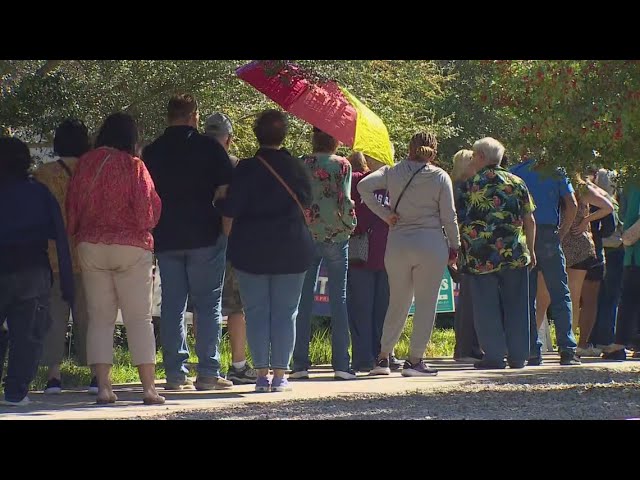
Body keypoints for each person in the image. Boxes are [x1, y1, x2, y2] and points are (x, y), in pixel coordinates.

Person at [66, 112, 164, 405]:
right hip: (131, 247)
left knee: (100, 318)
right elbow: (147, 213)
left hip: (91, 245)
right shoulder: (134, 166)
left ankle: (105, 387)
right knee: (139, 319)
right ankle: (148, 389)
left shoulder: (85, 163)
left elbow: (72, 206)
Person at [143, 94, 233, 391]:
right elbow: (226, 190)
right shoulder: (209, 147)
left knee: (172, 305)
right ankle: (208, 372)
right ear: (194, 115)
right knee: (208, 305)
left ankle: (174, 373)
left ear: (169, 116)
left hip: (167, 236)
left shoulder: (152, 151)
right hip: (205, 235)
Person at [223, 109, 314, 392]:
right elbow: (309, 204)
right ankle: (281, 375)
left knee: (256, 311)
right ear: (284, 135)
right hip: (292, 249)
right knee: (287, 313)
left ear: (256, 134)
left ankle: (261, 374)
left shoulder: (246, 169)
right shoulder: (298, 168)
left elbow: (231, 209)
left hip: (251, 252)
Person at [360, 132, 460, 377]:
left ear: (409, 148)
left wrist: (385, 214)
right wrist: (455, 245)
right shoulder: (439, 176)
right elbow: (449, 215)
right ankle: (415, 360)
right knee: (426, 304)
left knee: (398, 301)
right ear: (433, 152)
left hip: (398, 243)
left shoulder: (392, 172)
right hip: (431, 243)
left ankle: (383, 358)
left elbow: (364, 187)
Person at [0, 137, 74, 406]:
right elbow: (61, 240)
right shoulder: (39, 192)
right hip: (32, 269)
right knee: (27, 335)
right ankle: (16, 391)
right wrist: (67, 283)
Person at [457, 138, 536, 369]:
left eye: (473, 156)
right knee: (518, 305)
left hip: (479, 256)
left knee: (486, 307)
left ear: (482, 157)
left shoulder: (469, 186)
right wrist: (531, 250)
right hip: (514, 253)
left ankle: (493, 356)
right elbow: (530, 219)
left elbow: (460, 221)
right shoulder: (518, 182)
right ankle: (519, 356)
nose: (472, 160)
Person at [33, 119, 96, 395]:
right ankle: (97, 374)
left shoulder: (43, 174)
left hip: (53, 254)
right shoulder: (94, 171)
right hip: (88, 253)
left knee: (54, 316)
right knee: (91, 316)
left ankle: (53, 377)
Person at [291, 128, 357, 380]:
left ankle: (299, 364)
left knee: (303, 300)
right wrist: (350, 225)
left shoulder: (301, 163)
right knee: (338, 299)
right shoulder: (342, 165)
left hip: (307, 234)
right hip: (336, 235)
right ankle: (341, 363)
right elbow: (346, 199)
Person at [510, 156, 580, 365]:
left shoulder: (516, 172)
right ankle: (567, 349)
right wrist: (562, 232)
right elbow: (572, 204)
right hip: (549, 233)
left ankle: (532, 350)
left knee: (527, 295)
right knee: (560, 292)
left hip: (523, 234)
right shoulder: (556, 169)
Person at [203, 112, 257, 384]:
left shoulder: (195, 164)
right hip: (233, 242)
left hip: (199, 240)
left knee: (204, 305)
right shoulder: (238, 167)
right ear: (230, 139)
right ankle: (237, 364)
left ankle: (205, 365)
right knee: (237, 307)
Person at [346, 151, 403, 372]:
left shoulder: (355, 180)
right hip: (390, 250)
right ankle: (384, 355)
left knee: (361, 308)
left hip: (362, 251)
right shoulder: (396, 182)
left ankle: (362, 358)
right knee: (386, 308)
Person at [600, 182, 640, 360]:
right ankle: (624, 342)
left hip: (634, 251)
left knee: (629, 297)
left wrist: (629, 236)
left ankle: (620, 344)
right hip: (632, 253)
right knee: (630, 298)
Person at [450, 149, 483, 363]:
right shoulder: (466, 189)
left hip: (460, 245)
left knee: (467, 298)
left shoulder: (452, 186)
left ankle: (466, 346)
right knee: (470, 298)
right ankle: (467, 348)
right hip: (469, 246)